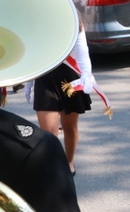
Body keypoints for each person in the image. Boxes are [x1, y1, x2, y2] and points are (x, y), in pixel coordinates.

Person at [26, 22, 93, 176]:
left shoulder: (75, 21)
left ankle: (69, 162)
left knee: (70, 127)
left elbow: (82, 53)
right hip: (45, 78)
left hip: (69, 78)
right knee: (48, 132)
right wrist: (29, 81)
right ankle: (53, 168)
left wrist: (86, 74)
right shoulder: (41, 21)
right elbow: (33, 52)